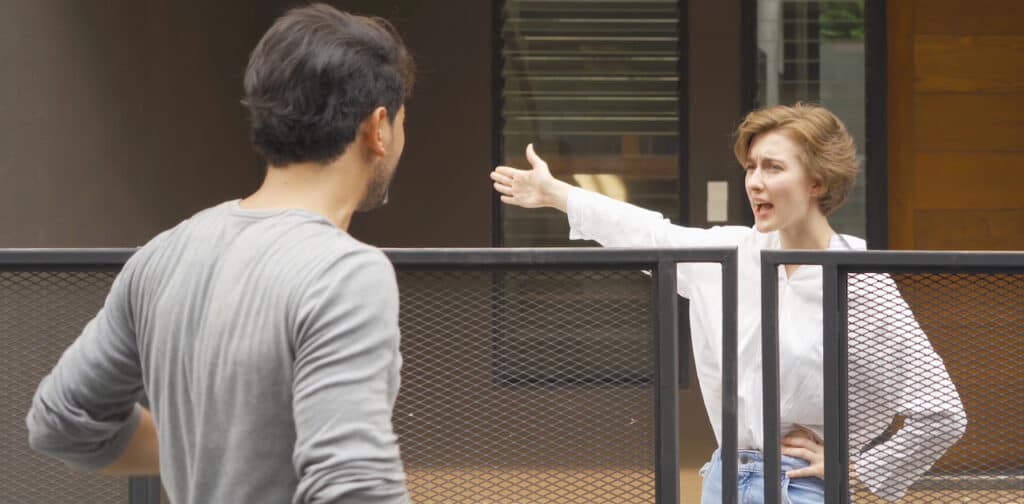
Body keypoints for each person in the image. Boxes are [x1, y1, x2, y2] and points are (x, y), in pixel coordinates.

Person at [26, 4, 414, 503]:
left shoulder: (162, 257)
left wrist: (204, 451)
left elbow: (60, 421)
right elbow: (354, 492)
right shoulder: (345, 274)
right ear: (378, 128)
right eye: (403, 122)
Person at [491, 103, 966, 502]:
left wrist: (856, 468)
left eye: (774, 168)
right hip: (724, 480)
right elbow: (650, 231)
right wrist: (557, 195)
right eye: (751, 167)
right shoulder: (728, 256)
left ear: (818, 182)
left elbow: (942, 412)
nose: (754, 182)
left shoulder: (859, 283)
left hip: (800, 487)